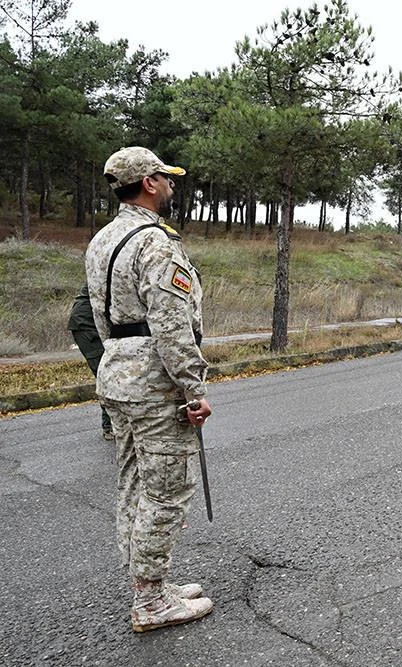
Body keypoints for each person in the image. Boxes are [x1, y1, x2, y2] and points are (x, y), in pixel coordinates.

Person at [85, 146, 214, 633]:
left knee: (134, 482)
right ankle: (151, 601)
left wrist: (120, 358)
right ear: (149, 184)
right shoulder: (156, 243)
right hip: (155, 381)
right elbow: (171, 323)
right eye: (166, 177)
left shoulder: (102, 239)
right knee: (166, 490)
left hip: (117, 371)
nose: (172, 185)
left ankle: (150, 583)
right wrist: (193, 386)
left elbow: (100, 317)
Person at [67, 284, 113, 440]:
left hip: (96, 322)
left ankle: (114, 423)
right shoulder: (109, 265)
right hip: (87, 325)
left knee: (109, 371)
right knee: (106, 373)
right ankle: (110, 426)